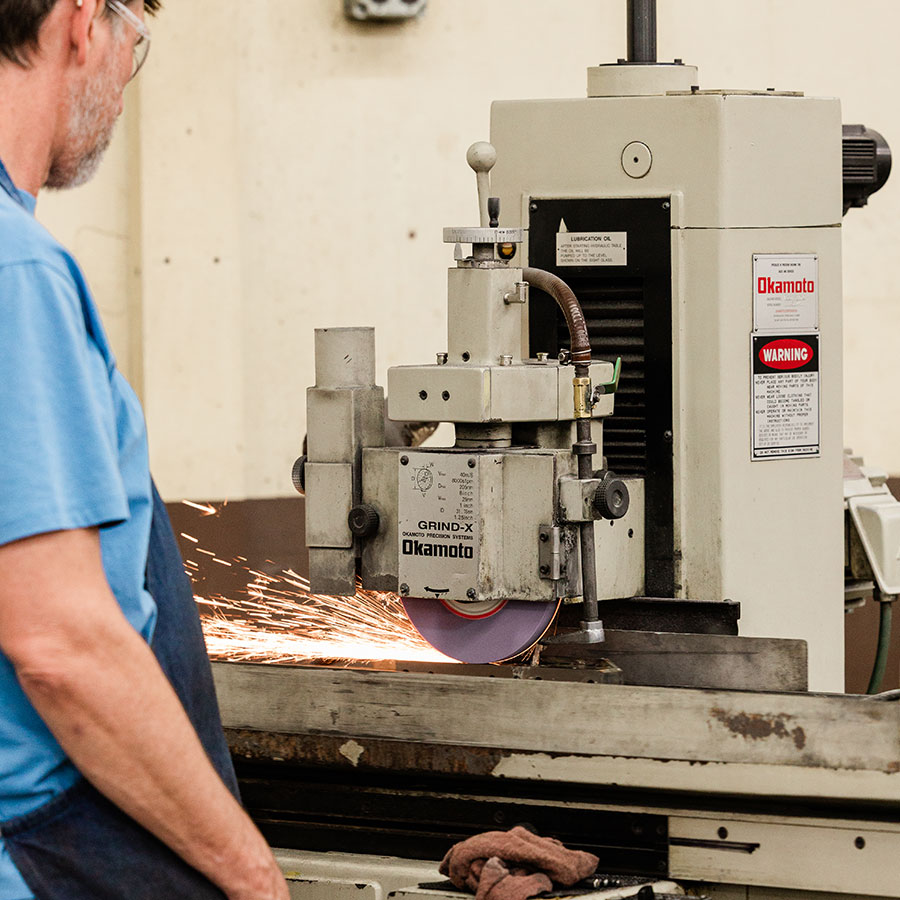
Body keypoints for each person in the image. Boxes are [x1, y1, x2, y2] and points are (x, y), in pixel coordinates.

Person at [0, 2, 290, 898]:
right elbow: (60, 645)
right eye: (135, 44)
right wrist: (255, 879)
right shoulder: (17, 272)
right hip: (47, 850)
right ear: (83, 22)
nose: (126, 86)